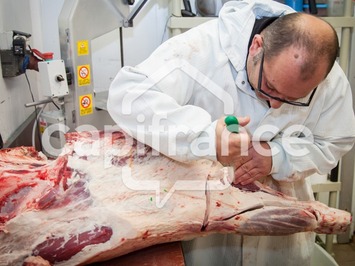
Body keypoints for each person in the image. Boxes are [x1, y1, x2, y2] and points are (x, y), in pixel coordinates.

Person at [107, 0, 355, 265]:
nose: (276, 104)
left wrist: (279, 157)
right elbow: (128, 95)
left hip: (279, 224)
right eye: (269, 86)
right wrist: (205, 137)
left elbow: (334, 140)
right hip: (203, 218)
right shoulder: (204, 47)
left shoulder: (326, 75)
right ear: (256, 47)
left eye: (294, 98)